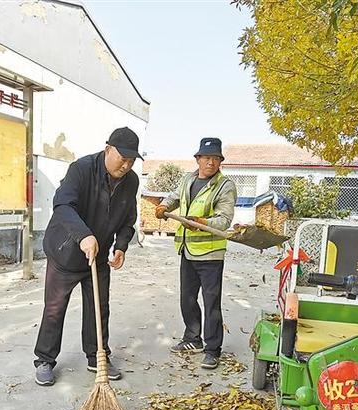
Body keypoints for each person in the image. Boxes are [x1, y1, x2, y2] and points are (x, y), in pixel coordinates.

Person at [33, 127, 141, 386]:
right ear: (107, 150)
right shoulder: (81, 169)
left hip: (99, 253)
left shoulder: (131, 181)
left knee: (99, 308)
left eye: (131, 160)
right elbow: (62, 205)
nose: (126, 165)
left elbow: (128, 220)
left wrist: (122, 246)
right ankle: (45, 359)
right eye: (121, 158)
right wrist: (83, 236)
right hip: (66, 252)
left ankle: (97, 356)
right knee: (55, 309)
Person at [154, 138, 237, 369]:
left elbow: (224, 219)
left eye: (215, 158)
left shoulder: (225, 185)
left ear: (220, 161)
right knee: (187, 298)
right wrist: (163, 207)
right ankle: (192, 338)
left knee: (211, 303)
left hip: (210, 254)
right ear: (198, 159)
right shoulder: (188, 179)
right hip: (188, 250)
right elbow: (173, 198)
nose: (211, 162)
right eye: (206, 157)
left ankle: (213, 350)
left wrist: (201, 222)